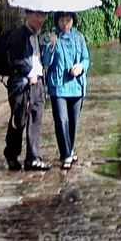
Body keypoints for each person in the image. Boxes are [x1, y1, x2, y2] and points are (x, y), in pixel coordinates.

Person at [3, 9, 50, 171]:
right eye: (37, 15)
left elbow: (42, 57)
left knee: (36, 119)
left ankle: (33, 157)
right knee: (20, 119)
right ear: (27, 15)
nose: (41, 19)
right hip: (21, 84)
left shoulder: (40, 35)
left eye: (43, 15)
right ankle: (11, 154)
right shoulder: (18, 35)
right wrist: (28, 73)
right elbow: (14, 59)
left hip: (38, 82)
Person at [42, 12, 89, 170]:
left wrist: (80, 67)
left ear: (73, 21)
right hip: (58, 86)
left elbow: (86, 58)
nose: (65, 24)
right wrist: (50, 47)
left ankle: (70, 148)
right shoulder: (51, 37)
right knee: (61, 120)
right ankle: (65, 154)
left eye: (68, 20)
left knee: (73, 122)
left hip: (76, 86)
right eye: (62, 20)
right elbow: (46, 61)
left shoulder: (79, 38)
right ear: (57, 21)